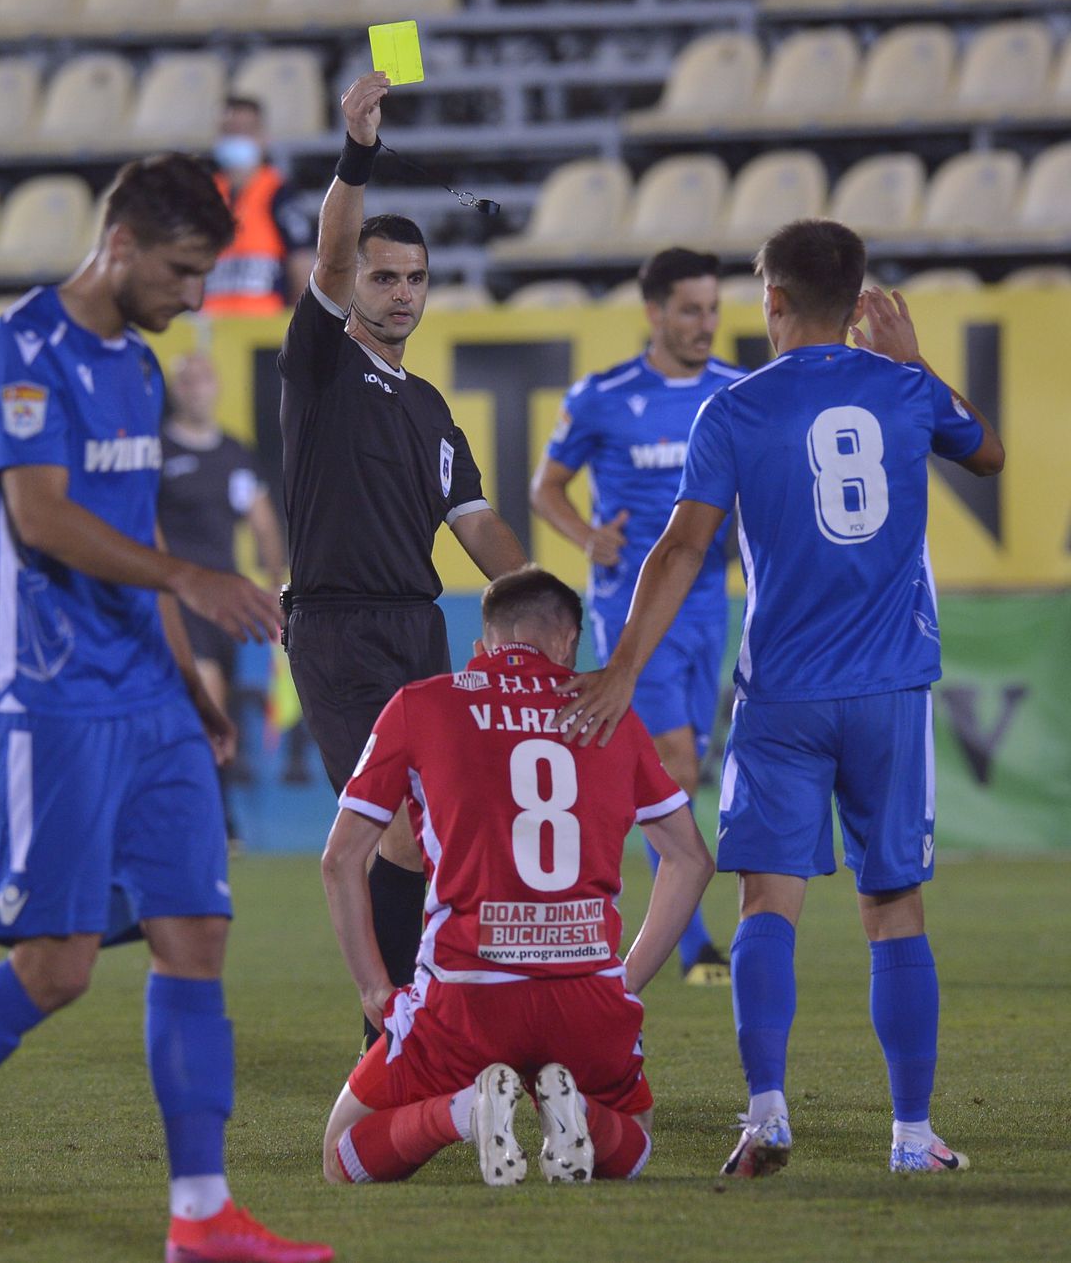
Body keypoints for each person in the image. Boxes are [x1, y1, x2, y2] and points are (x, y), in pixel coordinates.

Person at [0, 154, 331, 1263]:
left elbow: (145, 542)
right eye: (181, 273)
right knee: (59, 966)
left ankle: (200, 1214)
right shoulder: (23, 350)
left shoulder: (136, 365)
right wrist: (187, 588)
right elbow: (41, 517)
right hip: (52, 697)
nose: (192, 299)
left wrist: (187, 680)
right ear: (120, 247)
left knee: (195, 932)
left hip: (147, 696)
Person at [553, 219, 1004, 1179]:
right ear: (860, 300)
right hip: (889, 688)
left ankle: (765, 1116)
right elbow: (991, 454)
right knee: (894, 907)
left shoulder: (735, 409)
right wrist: (917, 362)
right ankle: (913, 1137)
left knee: (766, 901)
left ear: (774, 301)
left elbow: (680, 549)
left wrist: (624, 666)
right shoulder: (908, 390)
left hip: (782, 697)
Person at [318, 567, 715, 1187]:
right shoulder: (610, 714)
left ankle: (461, 1114)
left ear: (483, 645)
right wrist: (625, 978)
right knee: (636, 1141)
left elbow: (340, 861)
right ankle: (579, 1112)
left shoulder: (422, 704)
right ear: (569, 643)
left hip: (466, 995)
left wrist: (373, 987)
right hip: (584, 993)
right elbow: (692, 860)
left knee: (341, 1152)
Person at [278, 71, 528, 1047]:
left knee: (442, 836)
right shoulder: (324, 359)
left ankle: (428, 1015)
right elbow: (333, 250)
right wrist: (357, 151)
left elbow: (478, 526)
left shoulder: (431, 411)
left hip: (419, 627)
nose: (401, 293)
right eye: (385, 277)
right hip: (337, 630)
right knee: (401, 830)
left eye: (415, 279)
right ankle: (390, 1033)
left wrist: (541, 613)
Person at [531, 247, 741, 986]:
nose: (705, 324)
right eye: (690, 309)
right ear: (654, 313)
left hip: (710, 602)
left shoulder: (736, 391)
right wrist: (589, 538)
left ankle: (619, 915)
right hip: (632, 610)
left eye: (713, 309)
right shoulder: (603, 395)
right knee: (673, 765)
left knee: (686, 770)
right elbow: (545, 487)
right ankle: (690, 947)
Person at [159, 350, 287, 839]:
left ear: (215, 386)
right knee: (203, 697)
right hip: (178, 599)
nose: (195, 387)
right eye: (185, 379)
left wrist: (275, 584)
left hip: (226, 605)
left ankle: (211, 813)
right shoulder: (157, 452)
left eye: (203, 377)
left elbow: (261, 519)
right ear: (175, 390)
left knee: (219, 709)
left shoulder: (233, 453)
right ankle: (214, 821)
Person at [204, 94, 315, 315]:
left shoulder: (280, 194)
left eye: (245, 131)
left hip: (262, 330)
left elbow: (302, 265)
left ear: (263, 137)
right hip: (211, 329)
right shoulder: (204, 194)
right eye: (230, 131)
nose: (237, 139)